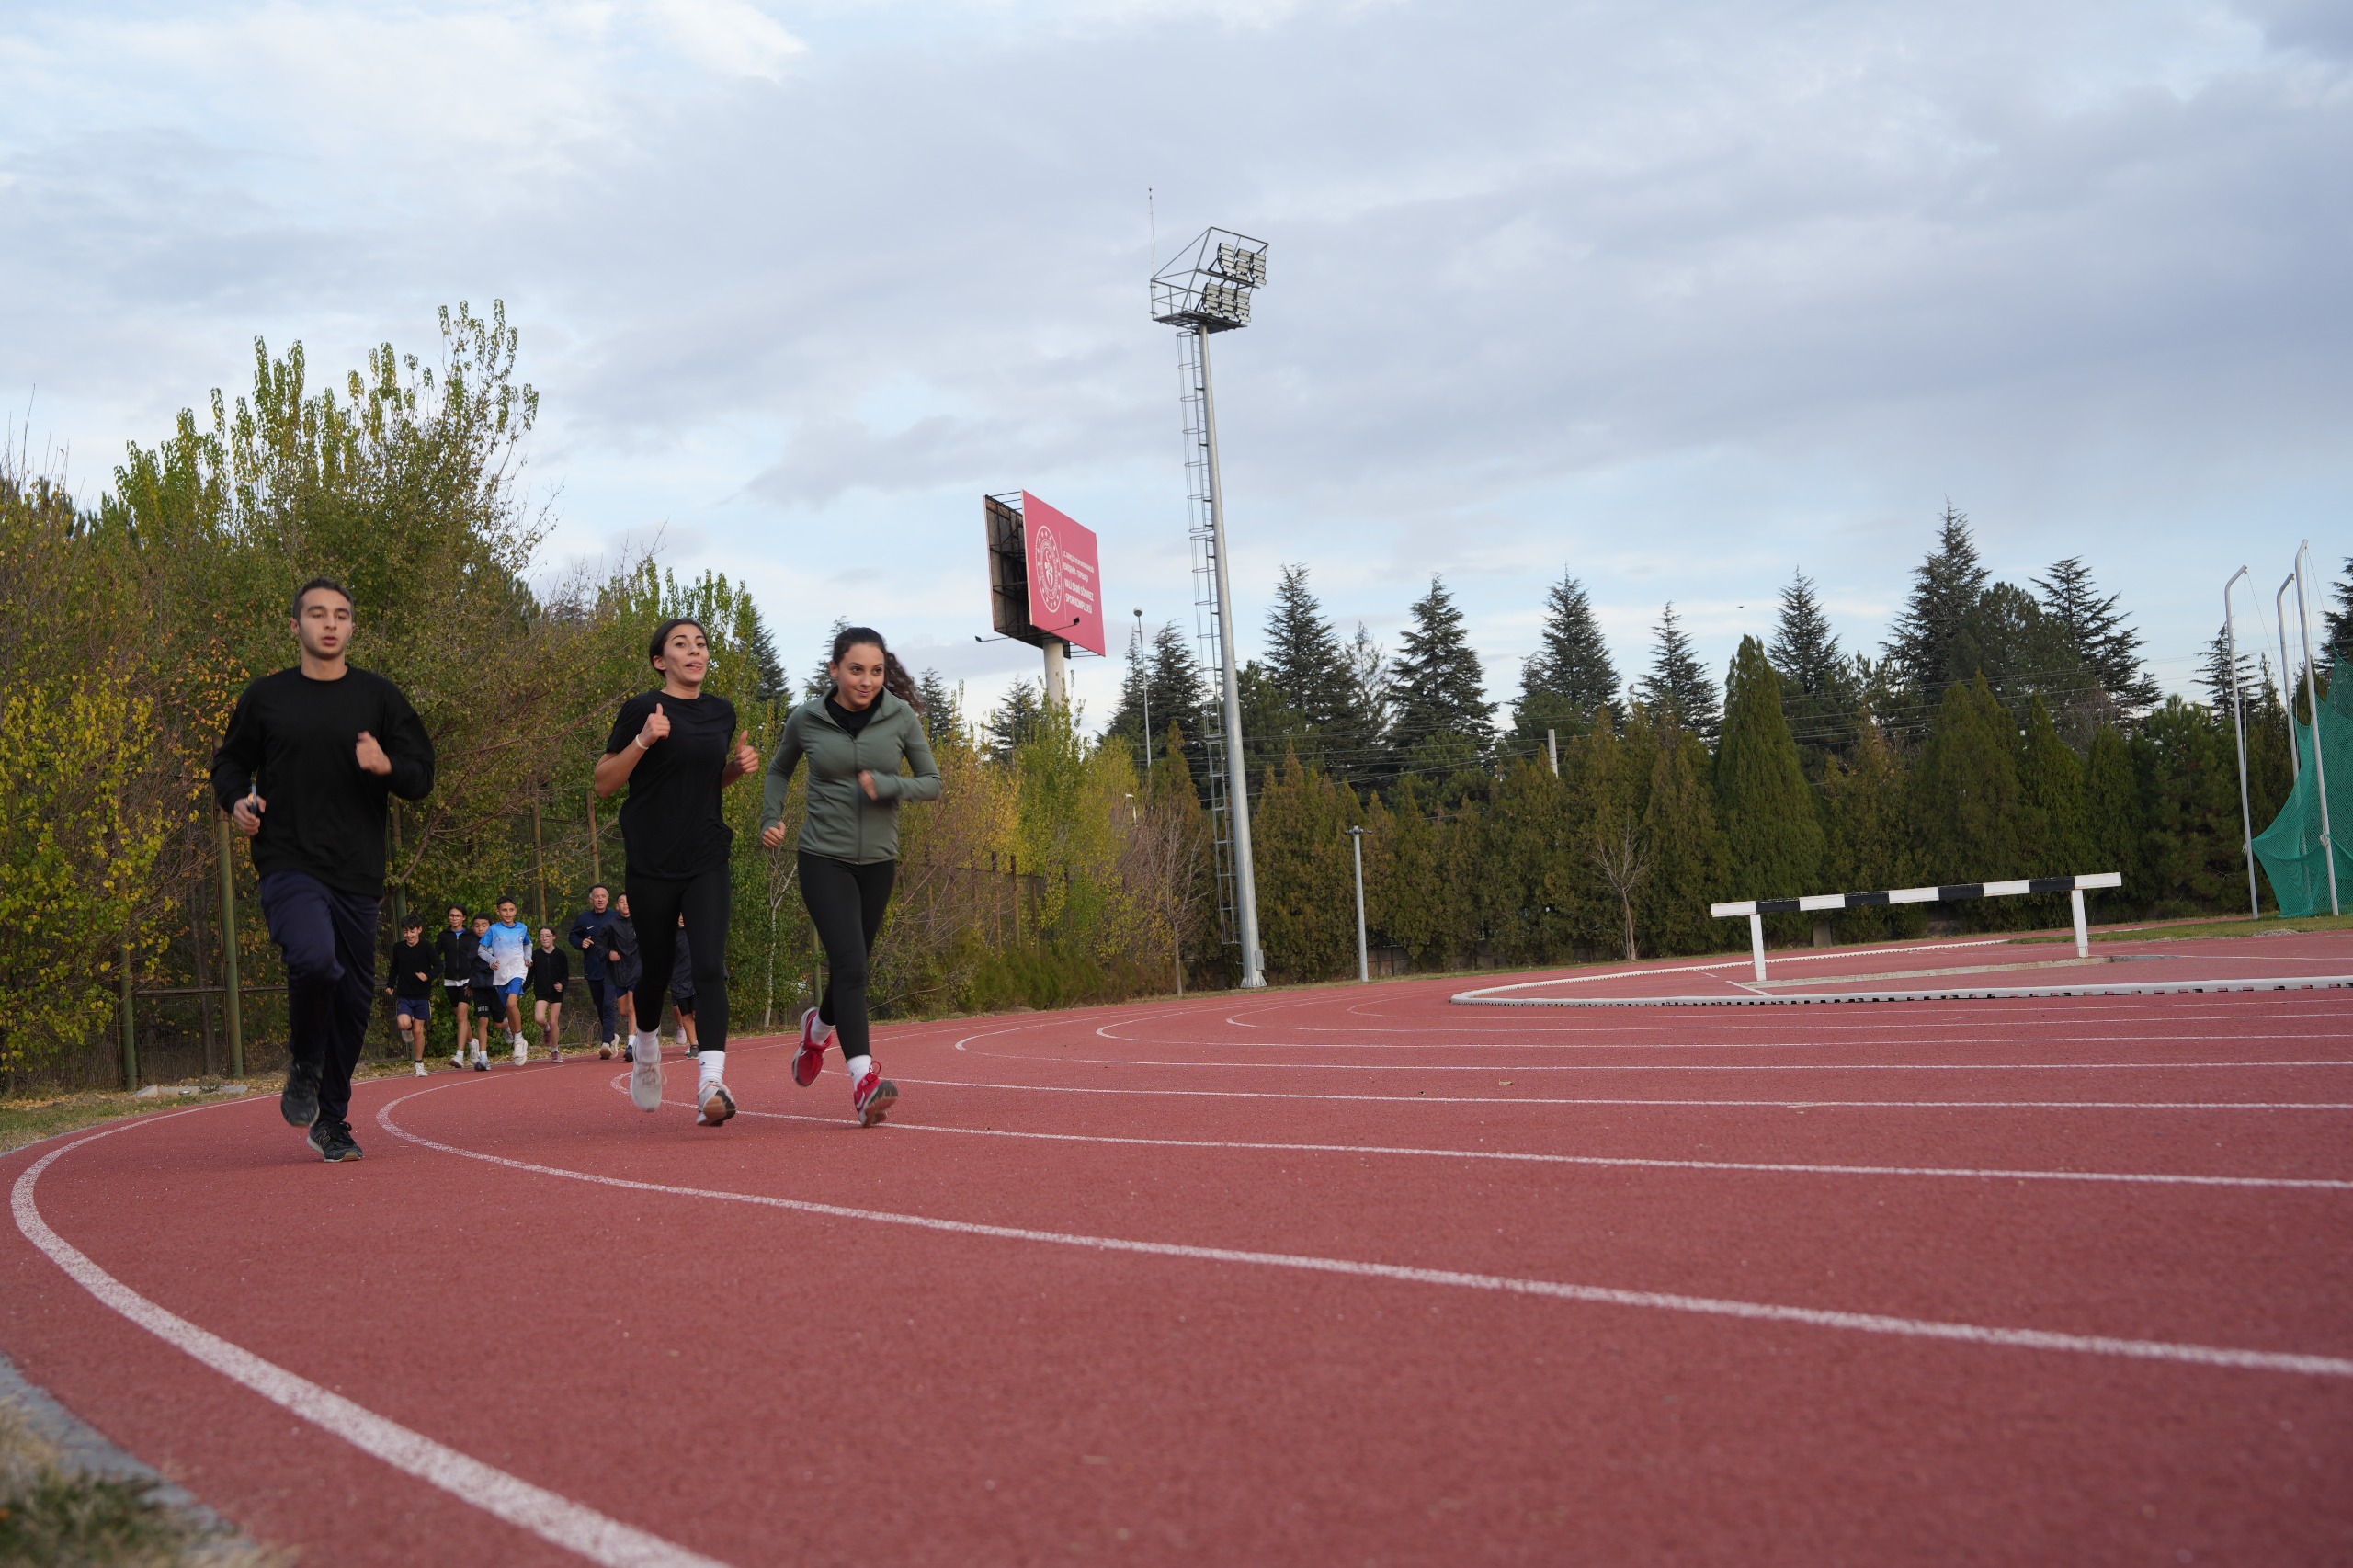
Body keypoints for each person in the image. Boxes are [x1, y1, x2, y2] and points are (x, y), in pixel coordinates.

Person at [210, 576, 435, 1162]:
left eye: (340, 615)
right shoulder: (267, 697)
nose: (329, 623)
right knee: (313, 960)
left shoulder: (380, 698)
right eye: (316, 614)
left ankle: (330, 1118)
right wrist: (236, 800)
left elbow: (421, 773)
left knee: (356, 999)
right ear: (296, 626)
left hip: (358, 869)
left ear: (352, 627)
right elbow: (230, 762)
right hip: (287, 860)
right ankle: (305, 1062)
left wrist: (388, 765)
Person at [761, 626, 940, 1127]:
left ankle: (817, 1030)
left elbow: (932, 782)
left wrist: (887, 785)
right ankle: (863, 1081)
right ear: (835, 669)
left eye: (877, 671)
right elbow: (779, 770)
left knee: (850, 969)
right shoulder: (807, 719)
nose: (867, 681)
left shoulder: (900, 718)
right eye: (857, 670)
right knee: (853, 966)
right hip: (823, 856)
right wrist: (770, 817)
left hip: (879, 860)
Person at [594, 619, 761, 1125]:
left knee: (710, 966)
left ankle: (711, 1081)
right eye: (681, 644)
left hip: (707, 854)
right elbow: (604, 782)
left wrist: (737, 767)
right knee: (658, 970)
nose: (695, 651)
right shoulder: (643, 709)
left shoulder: (721, 713)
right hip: (651, 860)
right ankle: (646, 1046)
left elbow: (706, 783)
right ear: (659, 661)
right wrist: (643, 741)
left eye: (701, 644)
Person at [567, 884, 620, 1055]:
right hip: (593, 967)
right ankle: (611, 1037)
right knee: (599, 1004)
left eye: (603, 896)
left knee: (608, 1004)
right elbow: (573, 936)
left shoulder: (616, 916)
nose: (600, 899)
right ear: (591, 899)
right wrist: (580, 943)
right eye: (596, 896)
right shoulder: (584, 919)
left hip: (612, 968)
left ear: (608, 898)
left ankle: (606, 1042)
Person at [482, 895, 532, 1062]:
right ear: (498, 911)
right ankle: (516, 1035)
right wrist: (491, 961)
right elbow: (482, 950)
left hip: (518, 971)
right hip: (501, 975)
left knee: (512, 1004)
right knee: (508, 1009)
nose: (508, 913)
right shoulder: (494, 930)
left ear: (516, 911)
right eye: (504, 910)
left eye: (511, 910)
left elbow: (528, 944)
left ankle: (519, 1039)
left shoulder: (522, 928)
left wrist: (528, 957)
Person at [386, 913, 436, 1076]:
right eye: (406, 931)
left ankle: (419, 1064)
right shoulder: (398, 947)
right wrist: (390, 984)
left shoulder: (427, 947)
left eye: (412, 931)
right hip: (404, 995)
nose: (409, 935)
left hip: (422, 995)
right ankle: (406, 1029)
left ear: (419, 930)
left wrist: (428, 976)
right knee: (403, 1023)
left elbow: (440, 966)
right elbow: (394, 968)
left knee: (418, 1031)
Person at [435, 903, 473, 1070]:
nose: (454, 918)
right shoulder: (444, 936)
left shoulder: (471, 935)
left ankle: (459, 1054)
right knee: (460, 1016)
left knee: (461, 1016)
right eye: (452, 915)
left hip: (467, 980)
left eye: (458, 915)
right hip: (450, 980)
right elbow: (435, 956)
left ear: (464, 917)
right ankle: (473, 1043)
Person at [529, 926, 570, 1062]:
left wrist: (562, 984)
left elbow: (565, 974)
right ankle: (546, 1028)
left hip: (556, 992)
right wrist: (521, 988)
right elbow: (530, 975)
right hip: (541, 991)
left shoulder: (560, 954)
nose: (544, 938)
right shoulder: (535, 955)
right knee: (539, 1018)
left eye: (547, 935)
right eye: (542, 936)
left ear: (554, 937)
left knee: (553, 1021)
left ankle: (555, 1050)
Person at [466, 913, 500, 1070]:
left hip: (496, 986)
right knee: (482, 1020)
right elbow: (469, 966)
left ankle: (507, 1028)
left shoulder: (498, 941)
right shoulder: (472, 944)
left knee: (499, 1024)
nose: (480, 928)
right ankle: (484, 1058)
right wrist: (470, 984)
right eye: (477, 925)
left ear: (490, 926)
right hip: (479, 987)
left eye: (484, 925)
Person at [668, 914, 699, 1051]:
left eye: (685, 913)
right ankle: (694, 1045)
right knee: (686, 1013)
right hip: (678, 980)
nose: (682, 917)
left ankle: (705, 1041)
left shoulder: (700, 932)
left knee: (698, 1011)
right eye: (678, 914)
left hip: (698, 978)